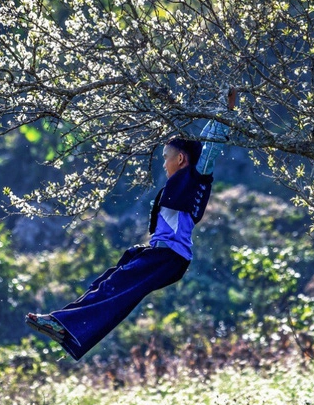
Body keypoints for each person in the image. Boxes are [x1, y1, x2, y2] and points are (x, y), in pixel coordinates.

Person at [25, 89, 237, 360]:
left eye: (165, 158)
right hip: (160, 254)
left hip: (169, 256)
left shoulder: (194, 179)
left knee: (116, 287)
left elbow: (210, 146)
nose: (164, 164)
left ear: (180, 159)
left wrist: (224, 108)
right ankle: (67, 329)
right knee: (107, 283)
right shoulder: (181, 183)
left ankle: (64, 325)